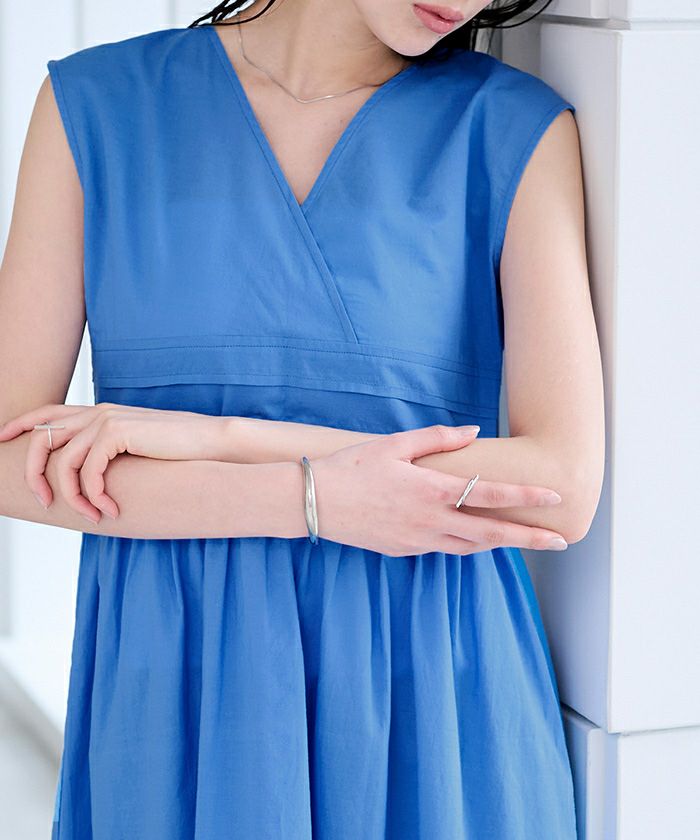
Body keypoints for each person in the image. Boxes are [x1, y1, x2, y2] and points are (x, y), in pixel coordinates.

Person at [0, 0, 604, 837]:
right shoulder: (95, 106)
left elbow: (561, 488)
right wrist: (306, 496)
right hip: (175, 691)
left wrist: (222, 439)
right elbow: (10, 458)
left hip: (433, 697)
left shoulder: (511, 129)